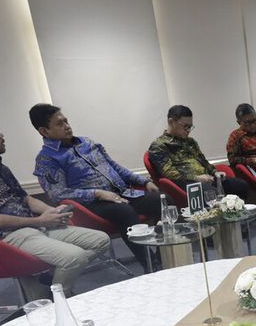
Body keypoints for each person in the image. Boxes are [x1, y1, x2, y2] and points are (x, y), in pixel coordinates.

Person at [0, 111, 109, 301]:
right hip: (3, 238)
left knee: (101, 240)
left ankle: (47, 284)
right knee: (74, 258)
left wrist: (49, 211)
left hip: (31, 226)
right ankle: (57, 303)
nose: (1, 135)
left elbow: (25, 199)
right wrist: (39, 220)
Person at [29, 104, 160, 268]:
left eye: (66, 121)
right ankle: (152, 265)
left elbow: (114, 166)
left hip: (120, 194)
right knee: (124, 211)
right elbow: (58, 194)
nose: (67, 126)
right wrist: (97, 193)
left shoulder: (86, 142)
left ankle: (164, 257)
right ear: (44, 131)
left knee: (161, 199)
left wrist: (144, 181)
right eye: (59, 124)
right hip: (91, 205)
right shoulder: (47, 159)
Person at [148, 105, 250, 200]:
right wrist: (197, 178)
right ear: (171, 122)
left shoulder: (190, 141)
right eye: (185, 126)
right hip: (185, 184)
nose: (188, 130)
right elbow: (170, 174)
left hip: (206, 179)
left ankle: (240, 217)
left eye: (190, 126)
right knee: (211, 192)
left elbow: (203, 161)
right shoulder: (159, 146)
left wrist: (215, 172)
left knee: (241, 185)